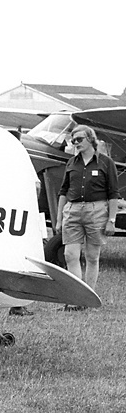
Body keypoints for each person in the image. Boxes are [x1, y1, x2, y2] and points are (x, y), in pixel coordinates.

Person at [55, 124, 120, 308]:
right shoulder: (71, 163)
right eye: (73, 140)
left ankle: (87, 299)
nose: (76, 143)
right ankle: (76, 298)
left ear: (91, 140)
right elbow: (63, 191)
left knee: (92, 256)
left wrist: (111, 220)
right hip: (73, 210)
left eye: (79, 139)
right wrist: (59, 218)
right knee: (70, 255)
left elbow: (113, 193)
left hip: (97, 210)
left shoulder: (106, 162)